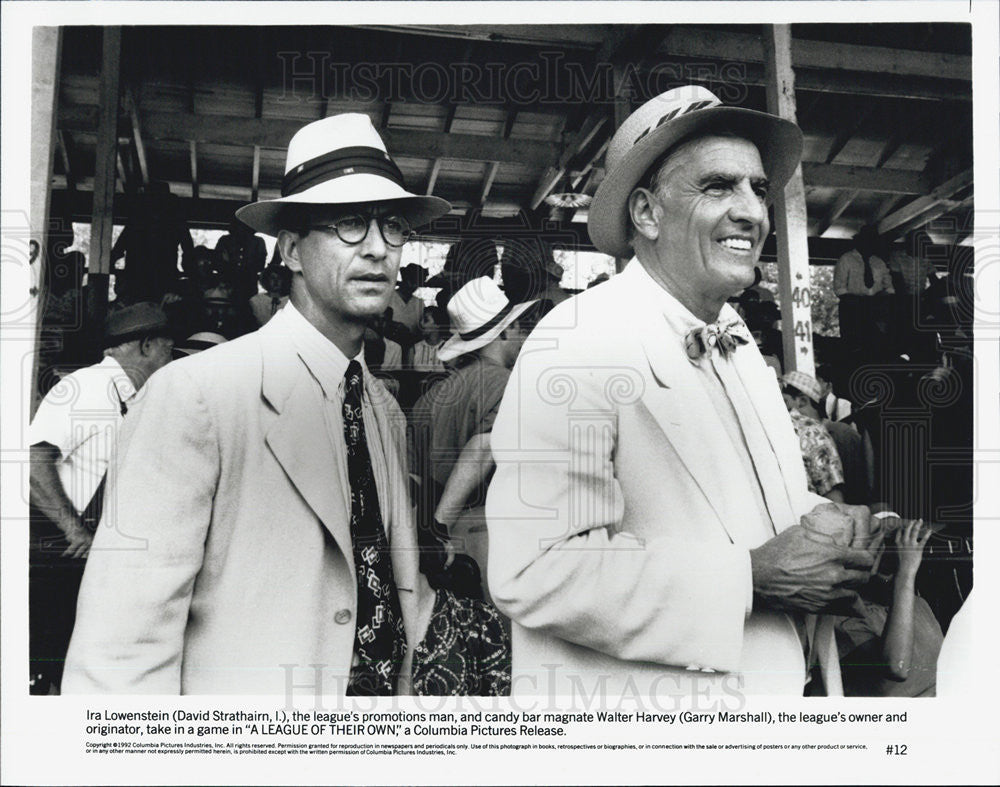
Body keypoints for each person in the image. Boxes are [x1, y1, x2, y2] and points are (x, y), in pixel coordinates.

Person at [63, 114, 507, 696]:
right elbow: (120, 651)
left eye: (393, 226)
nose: (377, 248)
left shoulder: (379, 408)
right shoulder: (195, 395)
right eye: (350, 223)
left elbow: (386, 591)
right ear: (292, 250)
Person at [486, 85, 879, 697]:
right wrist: (748, 578)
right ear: (646, 213)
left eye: (756, 187)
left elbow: (737, 504)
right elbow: (535, 569)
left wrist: (829, 522)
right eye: (718, 186)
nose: (751, 211)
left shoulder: (734, 335)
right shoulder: (577, 340)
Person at [29, 303, 174, 693]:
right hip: (57, 554)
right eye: (167, 349)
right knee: (48, 664)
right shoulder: (85, 387)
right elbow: (33, 461)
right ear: (145, 346)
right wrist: (74, 530)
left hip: (94, 558)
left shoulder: (131, 398)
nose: (169, 360)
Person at [409, 278, 539, 601]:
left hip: (433, 543)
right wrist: (440, 525)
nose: (523, 336)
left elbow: (412, 475)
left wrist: (430, 533)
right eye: (519, 327)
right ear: (505, 332)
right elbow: (482, 448)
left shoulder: (433, 395)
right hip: (484, 535)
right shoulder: (508, 383)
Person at [781, 371, 847, 503]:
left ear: (802, 401)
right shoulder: (816, 431)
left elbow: (834, 500)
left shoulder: (813, 431)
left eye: (784, 401)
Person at [833, 225, 895, 360]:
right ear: (860, 241)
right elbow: (839, 289)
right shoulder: (846, 259)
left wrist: (879, 298)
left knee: (876, 347)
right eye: (868, 241)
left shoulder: (878, 262)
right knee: (854, 348)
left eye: (873, 242)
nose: (870, 245)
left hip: (876, 309)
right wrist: (859, 301)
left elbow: (889, 288)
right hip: (853, 308)